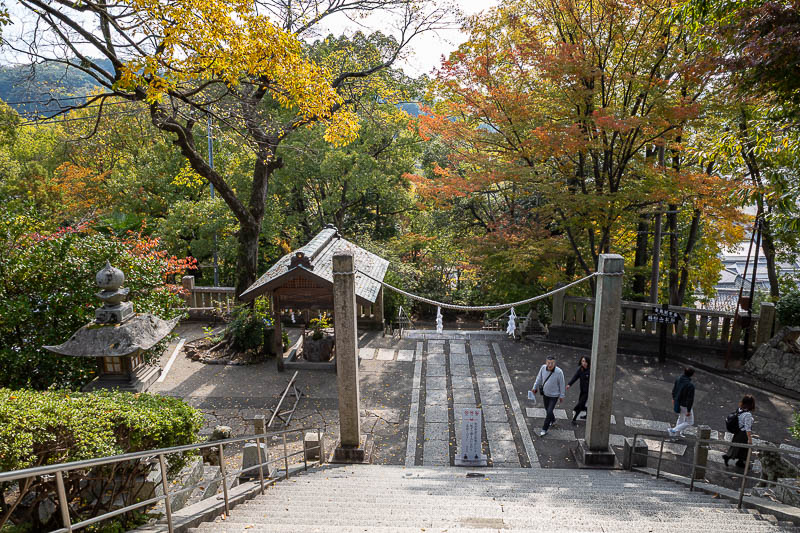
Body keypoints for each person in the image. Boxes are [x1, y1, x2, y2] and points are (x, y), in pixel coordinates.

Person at [532, 355, 566, 436]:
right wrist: (534, 387)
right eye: (548, 363)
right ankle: (553, 420)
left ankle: (544, 429)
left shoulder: (559, 372)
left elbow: (562, 384)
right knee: (548, 409)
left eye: (552, 363)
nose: (550, 365)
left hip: (554, 396)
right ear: (546, 362)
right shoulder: (543, 368)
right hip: (545, 394)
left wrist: (562, 395)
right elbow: (539, 378)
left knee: (549, 411)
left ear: (555, 363)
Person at [723, 395, 756, 468]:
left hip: (738, 432)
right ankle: (729, 457)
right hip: (743, 434)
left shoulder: (739, 410)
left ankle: (739, 461)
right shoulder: (748, 414)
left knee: (738, 447)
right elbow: (748, 428)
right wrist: (750, 439)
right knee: (742, 448)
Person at [667, 367, 695, 438]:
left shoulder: (678, 379)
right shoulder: (690, 385)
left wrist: (673, 398)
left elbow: (674, 389)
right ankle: (673, 430)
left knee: (681, 417)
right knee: (690, 422)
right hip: (685, 405)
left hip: (678, 402)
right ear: (692, 375)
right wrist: (689, 410)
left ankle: (677, 434)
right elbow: (690, 399)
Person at [566, 356, 590, 424]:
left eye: (585, 361)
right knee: (581, 405)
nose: (584, 363)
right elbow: (575, 377)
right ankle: (588, 411)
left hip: (588, 392)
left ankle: (574, 419)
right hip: (582, 390)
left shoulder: (590, 370)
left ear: (588, 362)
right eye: (583, 361)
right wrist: (569, 384)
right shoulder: (580, 369)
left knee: (580, 405)